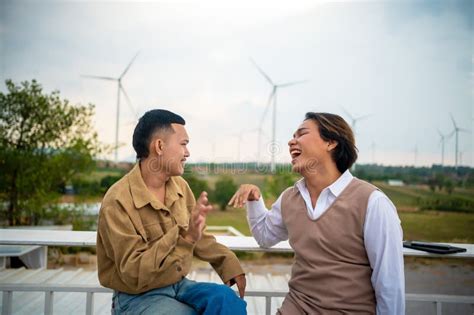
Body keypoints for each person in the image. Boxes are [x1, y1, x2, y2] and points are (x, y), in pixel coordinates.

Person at [229, 112, 404, 315]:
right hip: (295, 308)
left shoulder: (373, 203)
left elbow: (389, 283)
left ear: (331, 142)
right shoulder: (289, 198)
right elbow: (265, 236)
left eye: (301, 134)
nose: (290, 141)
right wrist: (254, 200)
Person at [97, 109, 246, 315]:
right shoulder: (117, 201)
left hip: (178, 285)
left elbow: (197, 235)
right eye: (183, 144)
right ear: (159, 146)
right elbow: (133, 272)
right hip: (137, 296)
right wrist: (184, 238)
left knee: (227, 301)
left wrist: (229, 264)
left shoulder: (180, 187)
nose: (188, 153)